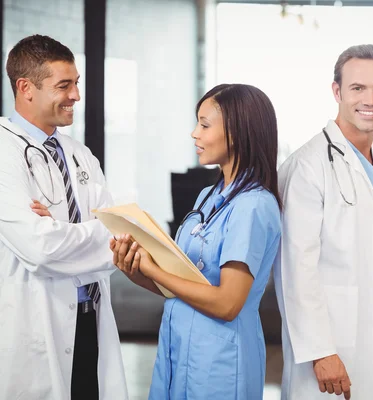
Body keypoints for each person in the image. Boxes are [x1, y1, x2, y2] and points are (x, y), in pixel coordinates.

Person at [111, 83, 282, 399]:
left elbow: (228, 303)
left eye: (204, 124)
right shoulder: (208, 198)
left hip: (221, 364)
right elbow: (178, 287)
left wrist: (154, 270)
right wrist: (135, 269)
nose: (194, 133)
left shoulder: (254, 206)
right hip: (179, 352)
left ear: (238, 131)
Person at [274, 44, 373, 400]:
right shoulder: (309, 165)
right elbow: (296, 267)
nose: (371, 99)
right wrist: (320, 351)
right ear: (337, 91)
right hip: (331, 353)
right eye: (358, 88)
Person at [0, 35, 127, 399]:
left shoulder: (80, 154)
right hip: (33, 326)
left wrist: (62, 231)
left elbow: (118, 236)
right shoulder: (3, 151)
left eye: (77, 83)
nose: (76, 96)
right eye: (64, 85)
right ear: (26, 88)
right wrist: (91, 233)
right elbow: (40, 247)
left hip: (90, 321)